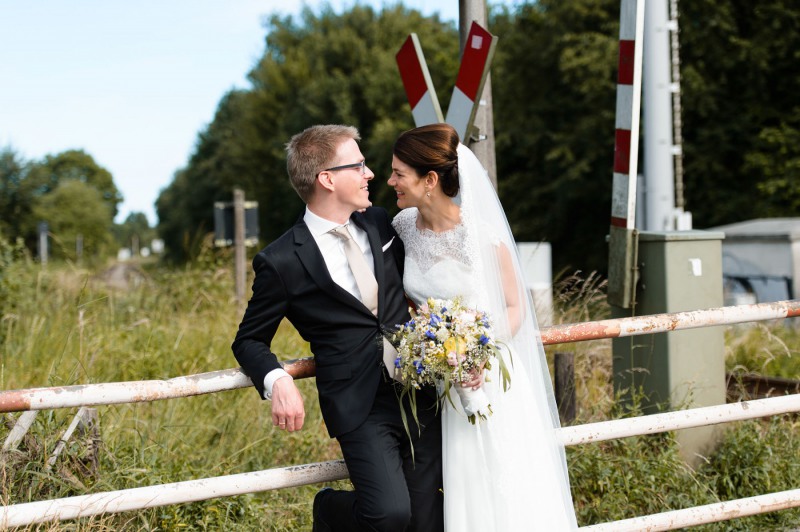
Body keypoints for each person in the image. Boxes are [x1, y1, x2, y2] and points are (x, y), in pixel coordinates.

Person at [232, 125, 443, 532]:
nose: (371, 174)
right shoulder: (280, 261)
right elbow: (249, 340)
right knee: (388, 515)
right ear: (326, 179)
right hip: (359, 405)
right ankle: (328, 510)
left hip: (419, 391)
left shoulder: (383, 223)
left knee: (427, 519)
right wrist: (277, 379)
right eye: (359, 165)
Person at [388, 123, 578, 530]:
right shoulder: (403, 226)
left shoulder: (483, 236)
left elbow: (515, 307)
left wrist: (475, 352)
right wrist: (430, 343)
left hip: (487, 375)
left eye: (399, 173)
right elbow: (402, 297)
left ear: (431, 179)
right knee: (463, 486)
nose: (391, 182)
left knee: (503, 478)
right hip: (438, 378)